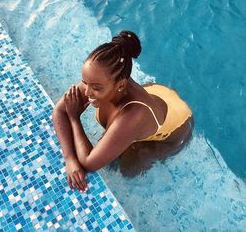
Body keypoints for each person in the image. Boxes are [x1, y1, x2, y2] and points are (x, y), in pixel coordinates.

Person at [52, 30, 194, 193]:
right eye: (85, 82)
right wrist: (69, 158)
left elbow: (89, 163)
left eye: (96, 88)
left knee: (128, 169)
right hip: (157, 94)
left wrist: (74, 117)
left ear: (120, 85)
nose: (87, 92)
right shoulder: (99, 80)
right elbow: (59, 111)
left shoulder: (134, 115)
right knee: (114, 141)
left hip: (177, 125)